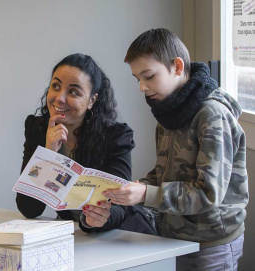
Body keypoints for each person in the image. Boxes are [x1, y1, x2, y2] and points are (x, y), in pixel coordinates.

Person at [104, 28, 248, 270]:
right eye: (137, 78)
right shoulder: (168, 112)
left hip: (211, 244)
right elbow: (164, 175)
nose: (142, 87)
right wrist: (128, 190)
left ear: (178, 67)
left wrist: (145, 195)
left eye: (148, 76)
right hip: (174, 238)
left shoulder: (212, 116)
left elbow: (208, 194)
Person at [16, 53, 157, 235]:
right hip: (75, 236)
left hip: (123, 235)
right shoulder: (38, 128)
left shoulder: (116, 136)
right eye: (56, 86)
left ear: (91, 101)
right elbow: (29, 209)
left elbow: (119, 206)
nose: (60, 98)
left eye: (73, 91)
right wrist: (48, 154)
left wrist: (93, 220)